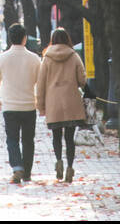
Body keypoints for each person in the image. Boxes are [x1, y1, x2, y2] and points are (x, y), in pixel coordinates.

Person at [0, 22, 42, 184]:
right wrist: (39, 101)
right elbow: (39, 83)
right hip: (28, 105)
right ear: (25, 38)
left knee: (12, 139)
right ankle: (27, 173)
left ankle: (17, 167)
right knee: (28, 140)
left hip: (9, 106)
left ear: (10, 39)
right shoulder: (34, 59)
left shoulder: (2, 58)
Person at [36, 27, 86, 184]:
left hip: (54, 104)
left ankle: (59, 162)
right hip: (71, 103)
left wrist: (41, 106)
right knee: (70, 139)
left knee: (56, 137)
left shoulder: (47, 58)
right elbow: (82, 80)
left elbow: (41, 84)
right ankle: (70, 167)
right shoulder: (74, 56)